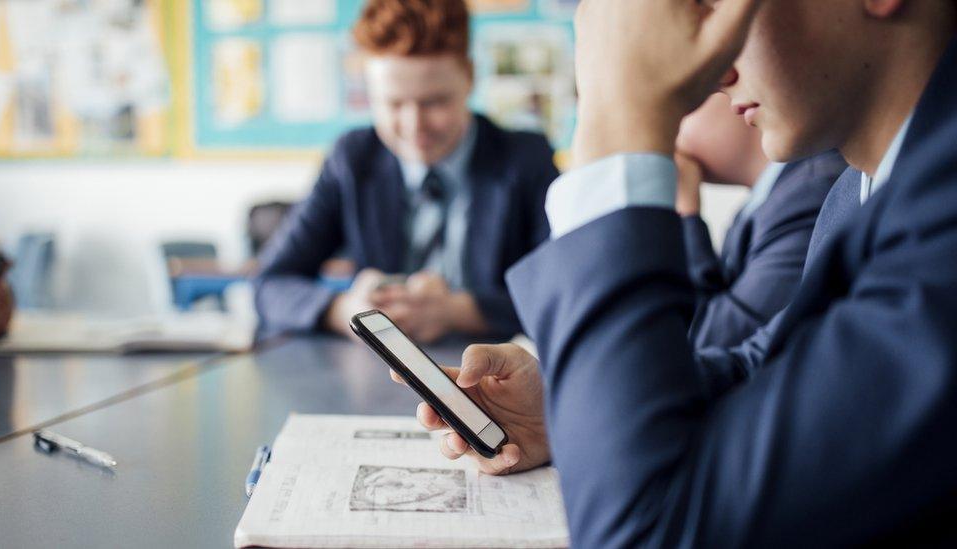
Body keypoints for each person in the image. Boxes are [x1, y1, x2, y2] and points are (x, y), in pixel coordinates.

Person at [401, 0, 957, 545]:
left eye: (722, 7)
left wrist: (621, 117)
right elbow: (765, 369)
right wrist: (572, 412)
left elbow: (646, 531)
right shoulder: (859, 194)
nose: (717, 74)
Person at [253, 0, 558, 344]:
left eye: (435, 102)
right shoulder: (353, 159)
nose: (415, 127)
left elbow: (563, 294)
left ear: (470, 77)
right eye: (394, 103)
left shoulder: (525, 159)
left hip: (495, 379)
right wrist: (347, 312)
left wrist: (457, 311)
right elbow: (269, 284)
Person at [675, 92, 845, 348]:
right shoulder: (756, 210)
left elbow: (706, 344)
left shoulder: (812, 193)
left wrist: (683, 214)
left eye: (678, 106)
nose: (665, 138)